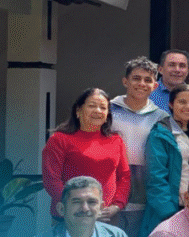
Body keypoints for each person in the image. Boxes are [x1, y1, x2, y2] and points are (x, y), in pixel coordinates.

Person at [42, 88, 130, 221]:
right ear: (78, 111)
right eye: (92, 106)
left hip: (106, 217)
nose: (98, 111)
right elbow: (51, 180)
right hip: (71, 217)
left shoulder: (116, 140)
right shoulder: (59, 139)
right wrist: (79, 207)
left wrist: (117, 206)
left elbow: (124, 177)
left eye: (103, 107)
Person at [137, 84, 189, 237]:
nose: (187, 107)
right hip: (169, 209)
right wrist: (169, 214)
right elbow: (156, 178)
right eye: (182, 102)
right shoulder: (160, 133)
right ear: (171, 104)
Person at [110, 57, 168, 237]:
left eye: (147, 80)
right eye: (136, 78)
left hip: (144, 186)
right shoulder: (109, 110)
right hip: (111, 185)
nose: (141, 84)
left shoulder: (161, 117)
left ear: (155, 85)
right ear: (125, 81)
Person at [149, 49, 189, 114]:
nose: (177, 70)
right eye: (172, 65)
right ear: (160, 69)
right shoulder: (148, 92)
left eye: (182, 66)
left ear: (187, 71)